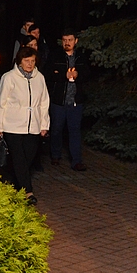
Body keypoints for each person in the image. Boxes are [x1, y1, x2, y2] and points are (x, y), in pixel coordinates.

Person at [0, 47, 50, 205]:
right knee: (19, 158)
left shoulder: (40, 78)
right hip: (12, 126)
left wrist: (44, 124)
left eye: (32, 61)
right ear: (20, 61)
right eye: (26, 61)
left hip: (33, 126)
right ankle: (28, 191)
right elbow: (1, 103)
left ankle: (13, 185)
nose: (30, 64)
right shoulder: (9, 78)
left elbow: (44, 103)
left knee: (27, 159)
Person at [45, 29, 90, 171]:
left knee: (75, 130)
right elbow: (48, 74)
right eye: (64, 40)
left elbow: (88, 74)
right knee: (56, 129)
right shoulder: (55, 56)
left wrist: (78, 74)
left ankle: (76, 160)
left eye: (70, 40)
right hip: (59, 100)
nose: (67, 43)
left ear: (75, 41)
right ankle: (55, 155)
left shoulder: (81, 57)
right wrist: (63, 75)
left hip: (76, 101)